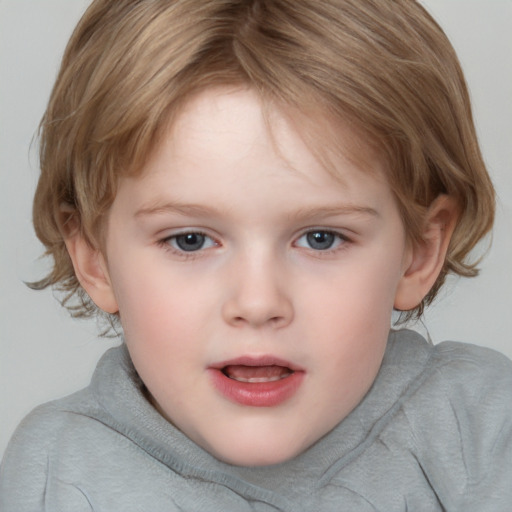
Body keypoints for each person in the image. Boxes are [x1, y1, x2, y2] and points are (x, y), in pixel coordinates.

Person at [1, 0, 510, 510]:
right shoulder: (56, 468)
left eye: (321, 238)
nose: (258, 301)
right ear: (94, 256)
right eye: (190, 240)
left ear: (420, 250)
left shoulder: (479, 428)